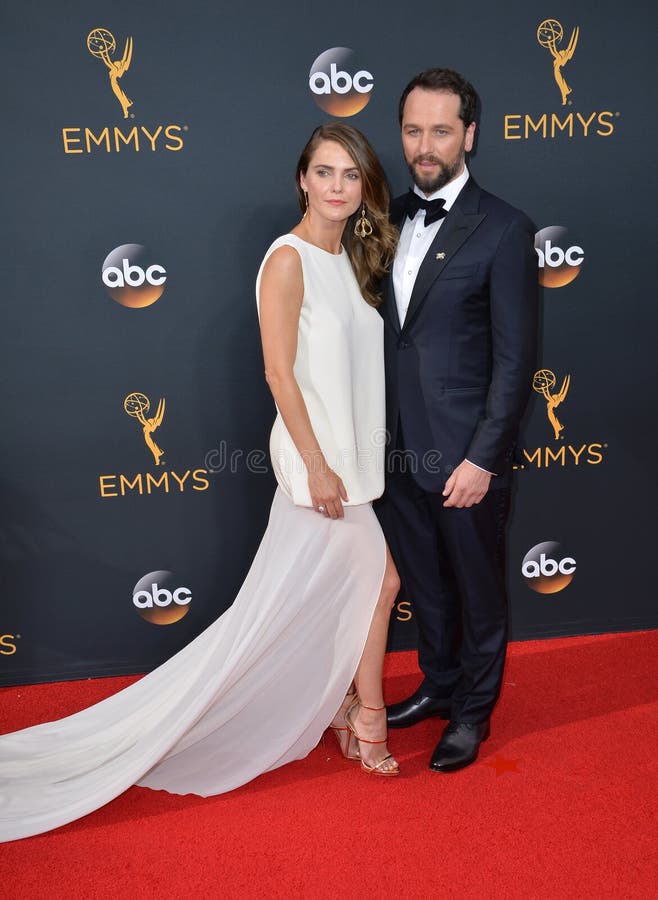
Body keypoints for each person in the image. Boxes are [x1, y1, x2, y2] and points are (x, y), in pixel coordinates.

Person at [0, 123, 400, 843]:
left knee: (339, 594)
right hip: (321, 465)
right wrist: (314, 461)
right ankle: (366, 719)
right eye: (325, 172)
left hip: (356, 461)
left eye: (352, 174)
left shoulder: (354, 260)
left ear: (366, 186)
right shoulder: (288, 260)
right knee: (380, 585)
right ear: (302, 179)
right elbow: (279, 372)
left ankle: (349, 707)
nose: (338, 187)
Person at [375, 68, 538, 772]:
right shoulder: (384, 220)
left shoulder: (504, 230)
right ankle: (437, 687)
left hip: (466, 455)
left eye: (441, 129)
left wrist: (482, 459)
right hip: (398, 450)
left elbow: (515, 361)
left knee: (476, 588)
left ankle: (473, 713)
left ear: (470, 133)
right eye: (413, 129)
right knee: (427, 584)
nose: (424, 144)